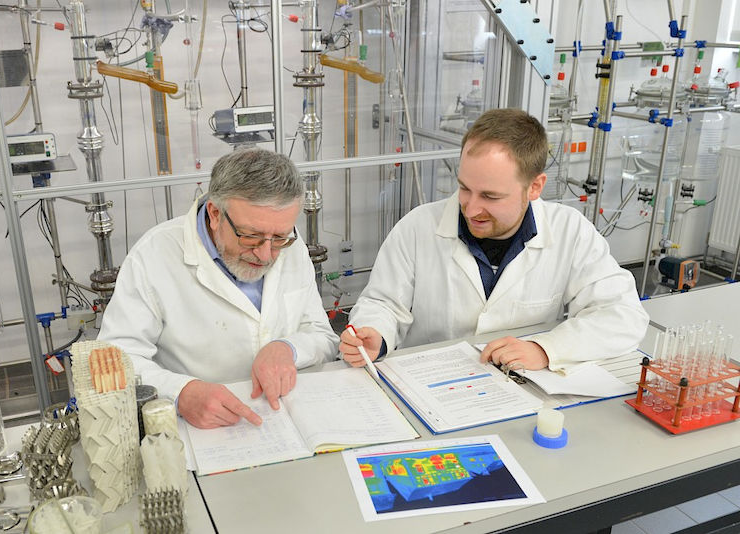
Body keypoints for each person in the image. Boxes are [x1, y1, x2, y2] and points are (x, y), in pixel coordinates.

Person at [339, 108, 649, 372]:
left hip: (522, 391)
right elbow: (383, 303)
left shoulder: (570, 232)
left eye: (490, 195)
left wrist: (545, 349)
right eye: (464, 188)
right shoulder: (417, 228)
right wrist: (376, 335)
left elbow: (622, 316)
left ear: (535, 187)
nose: (471, 208)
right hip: (429, 384)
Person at [99, 148, 339, 429]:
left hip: (285, 419)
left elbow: (322, 336)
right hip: (201, 430)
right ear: (215, 213)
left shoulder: (291, 247)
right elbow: (115, 360)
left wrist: (288, 348)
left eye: (279, 238)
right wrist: (180, 393)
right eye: (251, 236)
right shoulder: (153, 257)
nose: (265, 255)